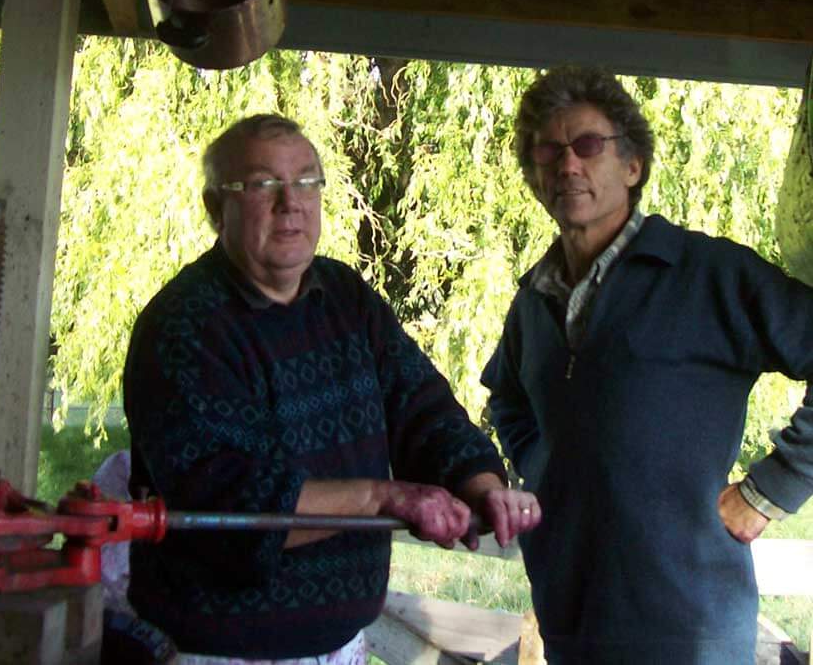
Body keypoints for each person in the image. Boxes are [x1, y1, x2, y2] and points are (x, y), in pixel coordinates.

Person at [122, 114, 540, 663]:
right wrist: (382, 497)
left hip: (343, 645)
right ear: (215, 208)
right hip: (218, 651)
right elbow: (229, 505)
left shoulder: (345, 295)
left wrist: (481, 486)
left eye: (306, 181)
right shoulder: (185, 326)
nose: (290, 203)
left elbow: (421, 407)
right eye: (262, 184)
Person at [482, 66, 813, 664]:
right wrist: (544, 468)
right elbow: (506, 397)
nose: (567, 164)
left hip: (691, 631)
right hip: (572, 623)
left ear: (632, 166)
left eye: (588, 145)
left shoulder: (707, 275)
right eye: (549, 151)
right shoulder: (533, 299)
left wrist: (774, 487)